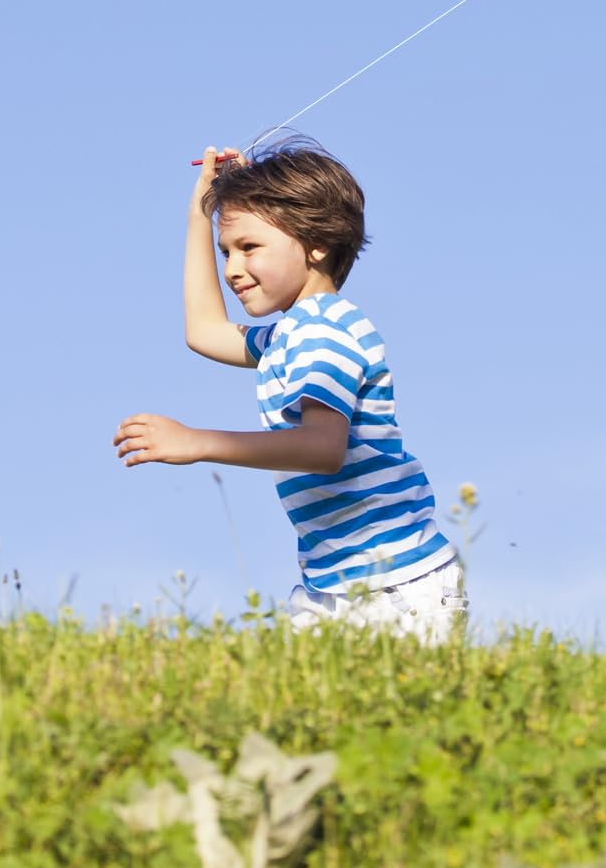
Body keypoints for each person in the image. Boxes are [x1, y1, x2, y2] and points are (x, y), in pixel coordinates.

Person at [113, 141, 465, 641]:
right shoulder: (288, 335)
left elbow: (322, 447)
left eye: (249, 248)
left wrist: (197, 442)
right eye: (225, 253)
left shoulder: (324, 332)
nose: (232, 269)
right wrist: (199, 214)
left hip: (398, 585)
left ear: (316, 243)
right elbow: (205, 331)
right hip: (332, 583)